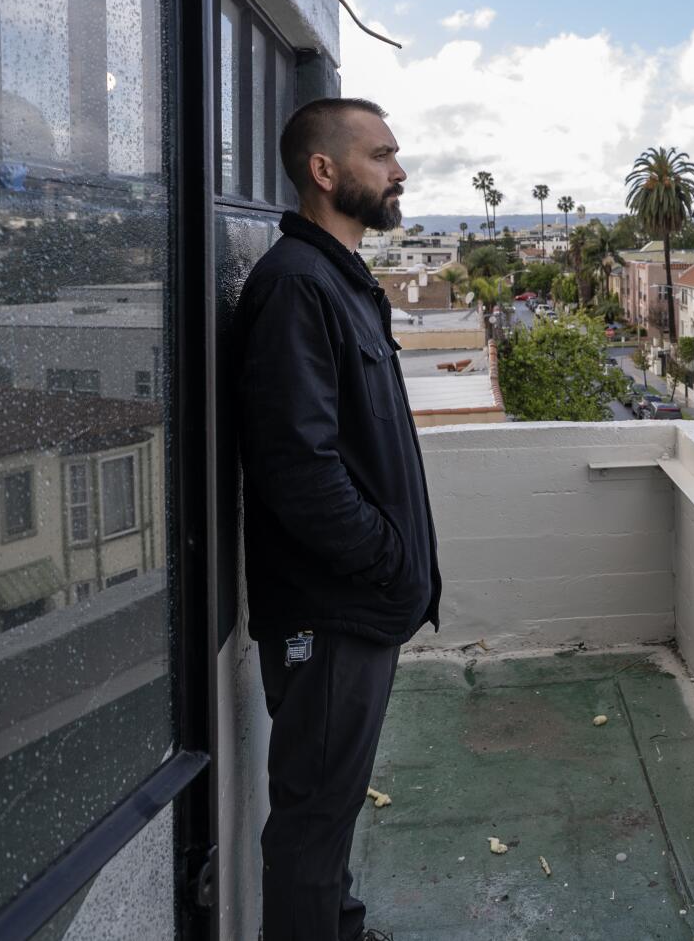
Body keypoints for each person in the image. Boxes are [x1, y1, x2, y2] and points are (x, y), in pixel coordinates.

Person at [234, 97, 441, 941]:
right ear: (326, 171)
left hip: (355, 606)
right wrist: (391, 560)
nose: (399, 170)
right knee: (312, 824)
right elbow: (300, 470)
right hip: (332, 611)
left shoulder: (338, 281)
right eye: (382, 154)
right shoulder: (296, 286)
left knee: (333, 803)